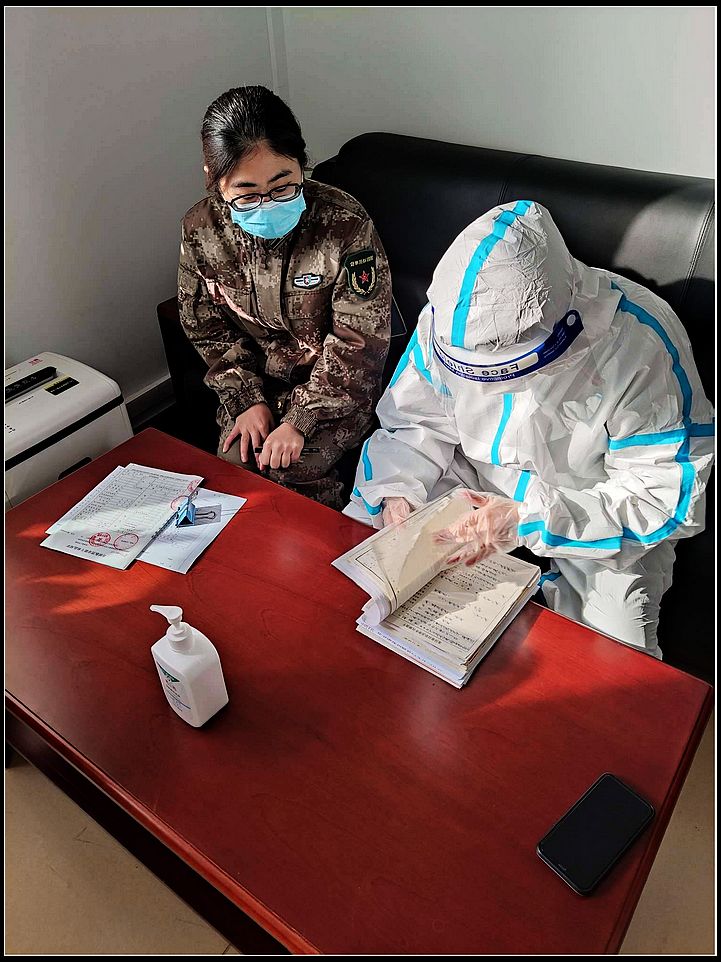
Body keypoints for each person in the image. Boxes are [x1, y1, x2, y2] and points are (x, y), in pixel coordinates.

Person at [343, 200, 714, 658]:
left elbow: (659, 495)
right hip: (475, 479)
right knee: (370, 563)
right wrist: (396, 493)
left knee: (616, 658)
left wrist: (529, 520)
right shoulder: (447, 321)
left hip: (592, 504)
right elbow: (413, 421)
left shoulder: (642, 346)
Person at [177, 85, 391, 509]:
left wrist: (301, 419)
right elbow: (205, 325)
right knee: (233, 468)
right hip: (256, 381)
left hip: (335, 391)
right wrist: (245, 400)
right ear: (214, 180)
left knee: (292, 472)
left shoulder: (344, 223)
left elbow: (359, 342)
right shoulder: (201, 229)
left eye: (283, 186)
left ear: (301, 164)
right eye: (247, 194)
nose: (267, 204)